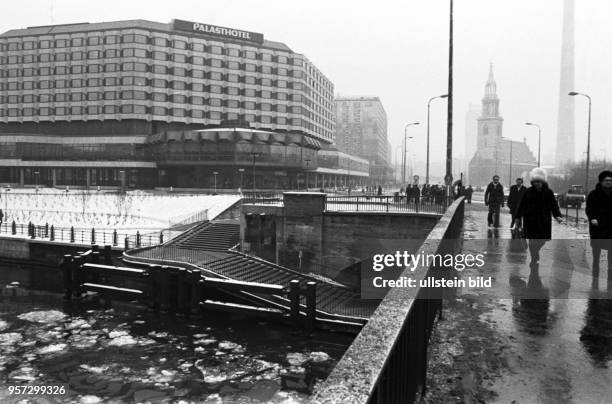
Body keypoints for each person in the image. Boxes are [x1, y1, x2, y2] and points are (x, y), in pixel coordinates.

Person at [514, 168, 563, 267]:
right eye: (535, 182)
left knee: (542, 240)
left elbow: (554, 205)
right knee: (532, 242)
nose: (537, 184)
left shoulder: (548, 192)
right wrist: (517, 217)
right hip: (530, 220)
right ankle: (534, 257)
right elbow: (521, 205)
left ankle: (535, 253)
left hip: (543, 221)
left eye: (539, 182)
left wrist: (557, 216)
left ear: (543, 182)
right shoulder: (528, 192)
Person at [585, 170, 612, 287]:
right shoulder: (593, 194)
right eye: (607, 180)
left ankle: (610, 280)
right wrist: (592, 218)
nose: (609, 182)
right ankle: (595, 278)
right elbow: (589, 208)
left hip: (611, 227)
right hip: (598, 228)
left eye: (611, 180)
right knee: (596, 253)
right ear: (601, 181)